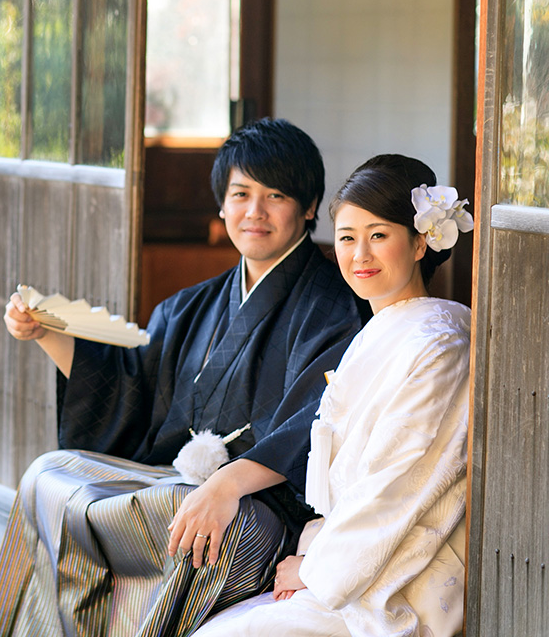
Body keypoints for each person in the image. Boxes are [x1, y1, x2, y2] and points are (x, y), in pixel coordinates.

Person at [0, 118, 368, 637]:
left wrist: (227, 485)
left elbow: (315, 421)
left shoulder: (332, 309)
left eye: (275, 196)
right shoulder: (188, 307)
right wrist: (44, 333)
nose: (255, 212)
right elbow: (127, 387)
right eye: (241, 194)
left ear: (309, 207)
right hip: (174, 484)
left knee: (211, 524)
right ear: (221, 205)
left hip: (260, 511)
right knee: (46, 477)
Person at [192, 154, 473, 637]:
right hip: (353, 557)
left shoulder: (441, 343)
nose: (360, 254)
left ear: (421, 241)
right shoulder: (384, 329)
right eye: (347, 238)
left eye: (379, 235)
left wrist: (315, 570)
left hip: (400, 577)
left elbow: (396, 486)